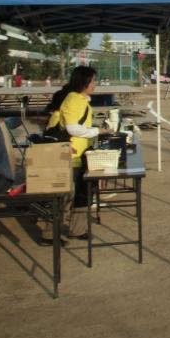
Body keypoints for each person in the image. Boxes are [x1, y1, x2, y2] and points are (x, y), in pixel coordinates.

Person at [42, 66, 111, 241]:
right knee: (65, 195)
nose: (95, 84)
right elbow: (72, 127)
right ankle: (51, 233)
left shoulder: (80, 100)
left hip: (79, 155)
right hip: (70, 156)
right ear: (84, 82)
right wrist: (97, 132)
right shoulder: (74, 100)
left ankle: (78, 229)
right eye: (93, 80)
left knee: (81, 193)